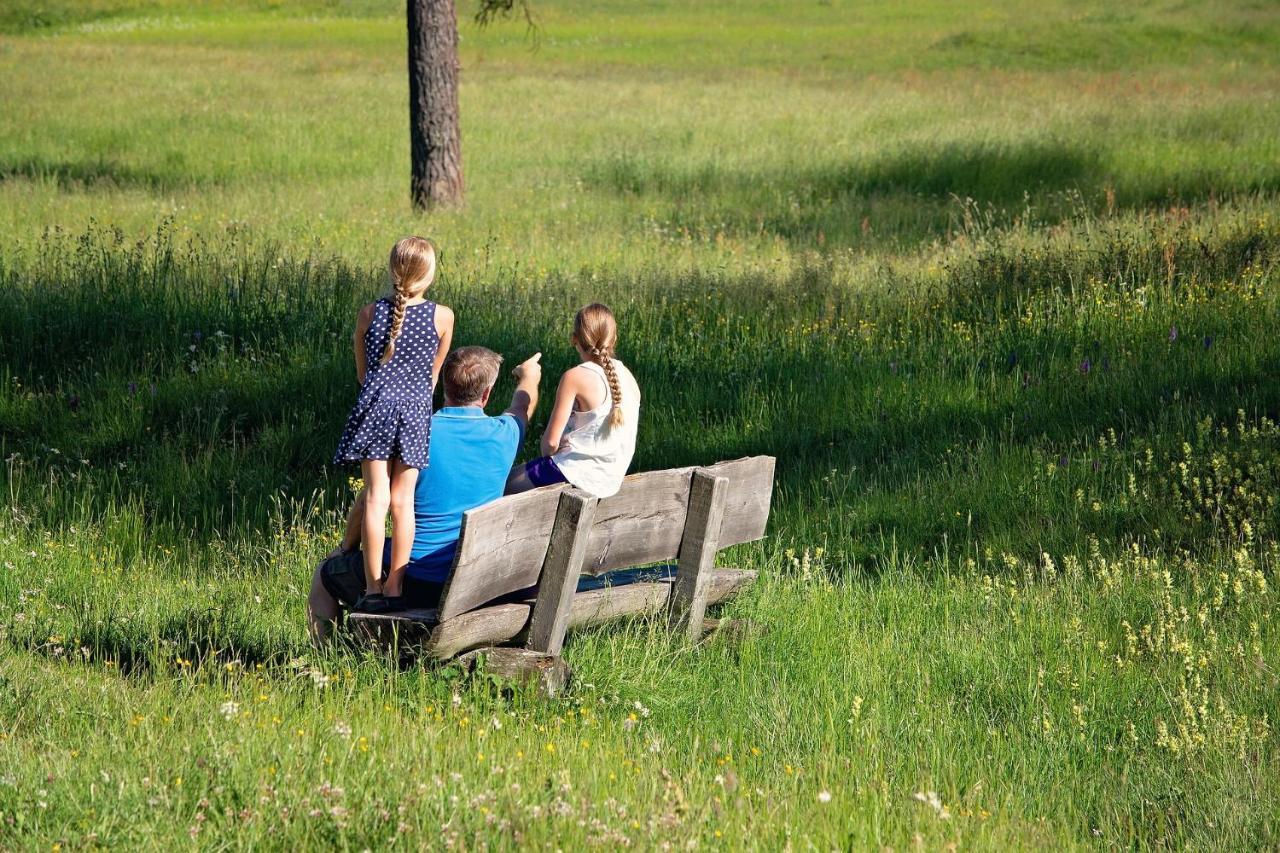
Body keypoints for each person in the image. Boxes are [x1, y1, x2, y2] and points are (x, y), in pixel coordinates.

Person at [308, 346, 542, 643]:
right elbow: (522, 407)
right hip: (477, 577)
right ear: (486, 395)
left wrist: (345, 547)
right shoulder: (504, 434)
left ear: (444, 384)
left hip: (416, 577)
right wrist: (529, 377)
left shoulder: (415, 435)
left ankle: (327, 656)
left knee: (325, 575)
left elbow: (371, 499)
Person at [331, 236, 454, 614]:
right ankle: (396, 584)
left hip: (376, 406)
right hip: (415, 409)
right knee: (403, 502)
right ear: (429, 274)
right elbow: (434, 375)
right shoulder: (442, 316)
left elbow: (362, 372)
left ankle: (371, 588)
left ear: (392, 269)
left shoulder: (369, 314)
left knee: (375, 497)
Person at [506, 303, 641, 499]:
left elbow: (549, 444)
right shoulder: (627, 376)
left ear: (574, 339)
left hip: (574, 472)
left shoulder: (575, 377)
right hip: (609, 479)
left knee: (500, 485)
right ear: (614, 339)